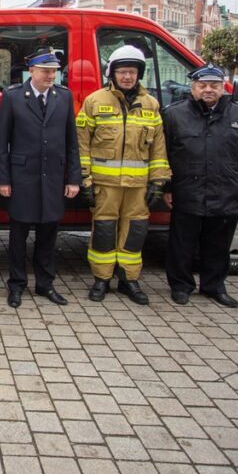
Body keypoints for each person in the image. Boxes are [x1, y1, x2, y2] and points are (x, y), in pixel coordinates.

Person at [76, 44, 170, 305]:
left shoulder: (151, 105)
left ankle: (129, 279)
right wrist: (85, 179)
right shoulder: (95, 101)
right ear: (112, 73)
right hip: (104, 185)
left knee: (135, 231)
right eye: (122, 72)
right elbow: (82, 144)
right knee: (104, 230)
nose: (127, 77)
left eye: (132, 72)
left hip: (138, 186)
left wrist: (158, 181)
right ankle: (101, 279)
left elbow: (158, 148)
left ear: (139, 74)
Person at [162, 64, 238, 308]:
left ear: (222, 88)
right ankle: (181, 286)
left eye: (214, 85)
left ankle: (214, 286)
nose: (208, 90)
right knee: (182, 244)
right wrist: (166, 187)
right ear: (193, 88)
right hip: (187, 191)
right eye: (202, 85)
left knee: (218, 245)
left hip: (226, 191)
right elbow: (164, 156)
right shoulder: (174, 115)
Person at [0, 48, 81, 307]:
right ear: (31, 70)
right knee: (18, 237)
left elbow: (72, 142)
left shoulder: (63, 97)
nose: (51, 76)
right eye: (46, 71)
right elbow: (2, 143)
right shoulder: (13, 97)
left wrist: (73, 178)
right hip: (22, 178)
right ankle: (17, 285)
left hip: (53, 178)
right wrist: (3, 180)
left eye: (54, 71)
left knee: (48, 235)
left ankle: (45, 284)